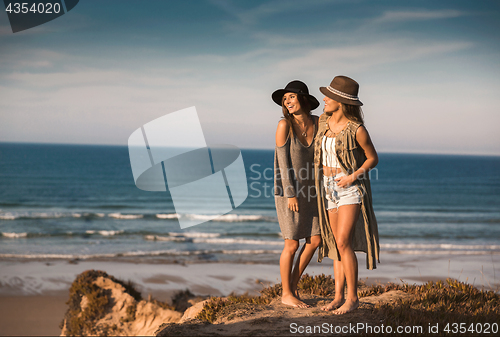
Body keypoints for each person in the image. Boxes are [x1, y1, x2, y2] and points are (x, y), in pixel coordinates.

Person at [313, 76, 380, 314]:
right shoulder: (323, 122)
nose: (324, 99)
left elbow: (373, 158)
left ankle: (353, 298)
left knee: (343, 242)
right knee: (336, 245)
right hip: (327, 187)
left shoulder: (357, 130)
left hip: (349, 187)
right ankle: (338, 296)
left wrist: (353, 176)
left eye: (328, 96)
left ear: (340, 102)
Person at [273, 80, 322, 308]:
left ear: (303, 98)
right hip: (288, 191)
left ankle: (292, 288)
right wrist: (291, 194)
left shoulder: (318, 122)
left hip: (313, 191)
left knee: (315, 240)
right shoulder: (284, 125)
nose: (287, 101)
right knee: (291, 244)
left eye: (291, 97)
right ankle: (286, 294)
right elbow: (283, 163)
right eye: (285, 99)